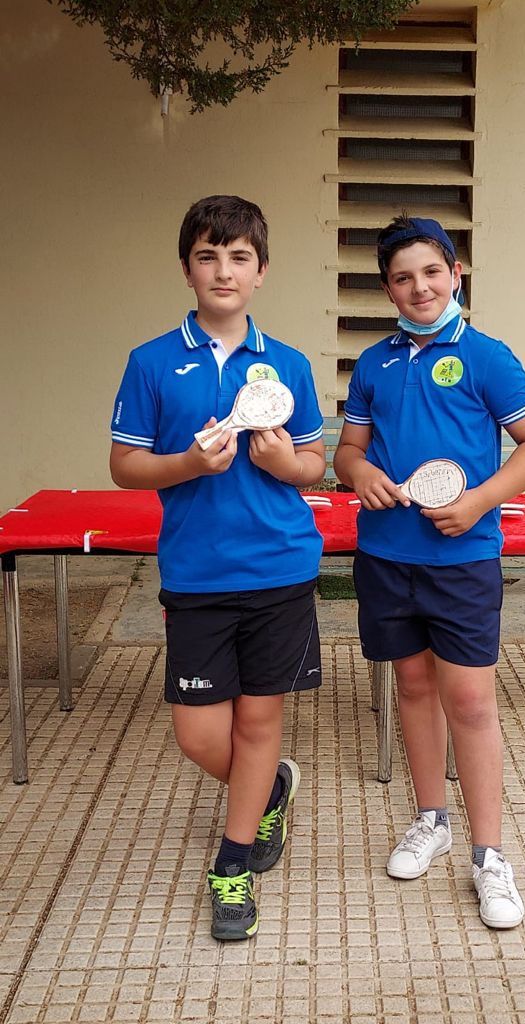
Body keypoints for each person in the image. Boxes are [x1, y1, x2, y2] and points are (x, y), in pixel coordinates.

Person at [109, 195, 326, 942]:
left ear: (261, 272)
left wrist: (285, 464)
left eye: (239, 257)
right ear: (187, 269)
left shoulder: (288, 363)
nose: (223, 271)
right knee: (199, 736)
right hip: (197, 575)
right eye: (208, 256)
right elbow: (125, 464)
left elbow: (315, 462)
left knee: (260, 720)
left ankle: (232, 867)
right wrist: (186, 464)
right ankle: (269, 794)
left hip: (280, 568)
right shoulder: (151, 362)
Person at [334, 216, 525, 929]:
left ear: (455, 274)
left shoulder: (487, 356)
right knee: (412, 687)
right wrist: (360, 473)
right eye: (402, 277)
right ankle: (431, 819)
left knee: (470, 703)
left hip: (462, 562)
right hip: (386, 556)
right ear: (387, 289)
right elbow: (347, 451)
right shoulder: (373, 364)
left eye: (432, 272)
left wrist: (480, 501)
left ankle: (489, 855)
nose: (419, 287)